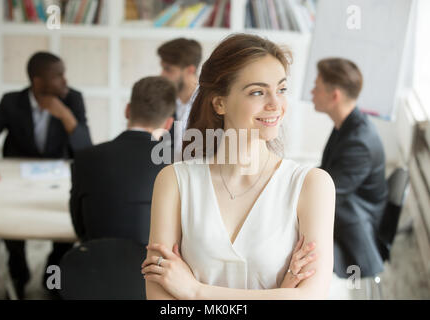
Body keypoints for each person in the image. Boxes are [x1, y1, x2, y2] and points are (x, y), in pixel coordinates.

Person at [142, 34, 335, 299]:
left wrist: (195, 292)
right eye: (258, 92)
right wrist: (280, 294)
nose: (275, 104)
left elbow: (312, 297)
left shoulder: (312, 185)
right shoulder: (174, 181)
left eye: (281, 89)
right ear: (219, 103)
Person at [0, 52, 92, 299]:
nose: (65, 81)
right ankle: (18, 280)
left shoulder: (72, 99)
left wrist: (65, 116)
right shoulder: (12, 102)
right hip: (17, 179)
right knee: (12, 236)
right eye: (58, 76)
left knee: (63, 236)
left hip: (57, 179)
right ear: (38, 81)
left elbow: (85, 151)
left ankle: (50, 280)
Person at [69, 76, 176, 245]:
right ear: (169, 124)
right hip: (152, 268)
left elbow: (80, 228)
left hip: (96, 263)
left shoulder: (85, 158)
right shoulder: (175, 164)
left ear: (127, 110)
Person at [311, 58, 388, 279]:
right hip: (348, 209)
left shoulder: (359, 142)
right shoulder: (348, 124)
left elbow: (327, 195)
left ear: (334, 96)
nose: (311, 92)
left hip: (356, 230)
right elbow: (326, 173)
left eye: (316, 87)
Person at [157, 38, 201, 162]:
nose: (162, 74)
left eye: (168, 69)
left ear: (190, 70)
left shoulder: (211, 103)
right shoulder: (161, 101)